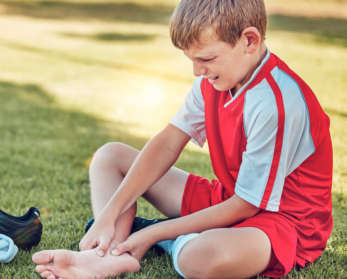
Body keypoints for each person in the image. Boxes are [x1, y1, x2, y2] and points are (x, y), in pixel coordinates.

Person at [32, 0, 333, 278]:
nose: (197, 71)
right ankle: (111, 253)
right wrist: (108, 216)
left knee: (201, 258)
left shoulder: (277, 103)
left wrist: (153, 234)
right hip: (228, 198)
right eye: (191, 59)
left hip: (284, 222)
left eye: (206, 58)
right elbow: (166, 143)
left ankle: (158, 238)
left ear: (249, 41)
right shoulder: (213, 80)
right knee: (109, 156)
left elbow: (246, 206)